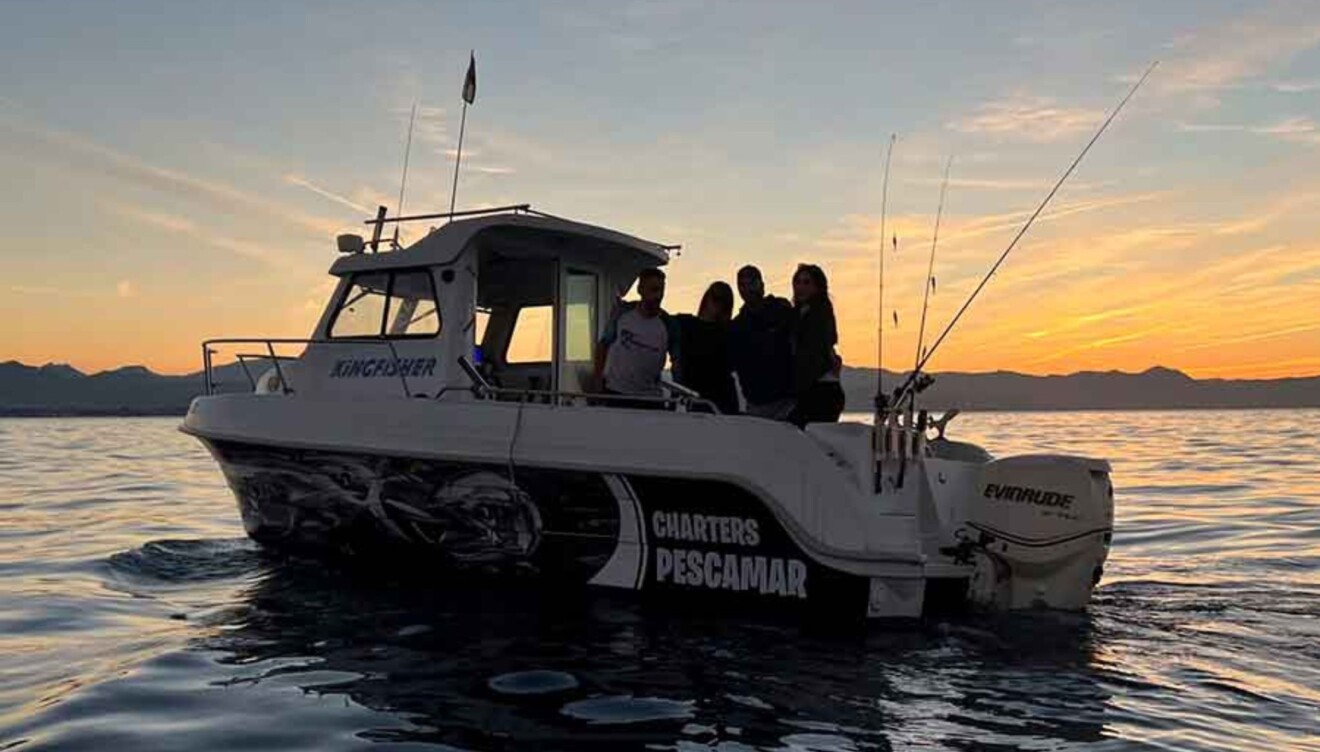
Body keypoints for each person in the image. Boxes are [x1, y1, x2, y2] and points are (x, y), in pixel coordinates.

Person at [593, 268, 679, 409]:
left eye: (661, 291)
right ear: (640, 290)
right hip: (616, 394)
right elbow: (603, 345)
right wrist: (597, 382)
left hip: (650, 398)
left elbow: (677, 362)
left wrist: (674, 398)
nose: (658, 296)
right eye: (653, 290)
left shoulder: (669, 324)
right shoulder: (622, 313)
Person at [728, 265, 796, 419]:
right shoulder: (737, 326)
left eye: (751, 283)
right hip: (756, 405)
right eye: (742, 284)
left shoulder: (782, 310)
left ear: (762, 285)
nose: (747, 289)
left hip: (788, 402)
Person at [787, 263, 846, 428]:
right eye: (798, 282)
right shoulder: (798, 314)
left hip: (822, 390)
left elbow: (815, 352)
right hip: (812, 389)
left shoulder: (820, 314)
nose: (801, 287)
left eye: (807, 282)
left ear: (817, 287)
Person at [673, 282, 739, 414]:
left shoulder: (730, 331)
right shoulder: (684, 323)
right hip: (692, 399)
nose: (718, 304)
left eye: (724, 302)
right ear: (707, 297)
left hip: (723, 401)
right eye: (715, 298)